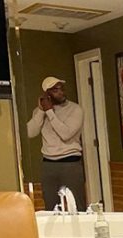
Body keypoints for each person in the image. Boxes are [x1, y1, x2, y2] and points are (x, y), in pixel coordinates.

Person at [27, 76, 85, 211]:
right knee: (51, 208)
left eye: (61, 88)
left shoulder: (75, 109)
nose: (61, 92)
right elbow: (30, 132)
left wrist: (50, 112)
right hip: (49, 164)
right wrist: (41, 111)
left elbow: (66, 134)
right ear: (46, 94)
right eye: (55, 90)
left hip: (70, 163)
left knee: (77, 206)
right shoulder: (40, 112)